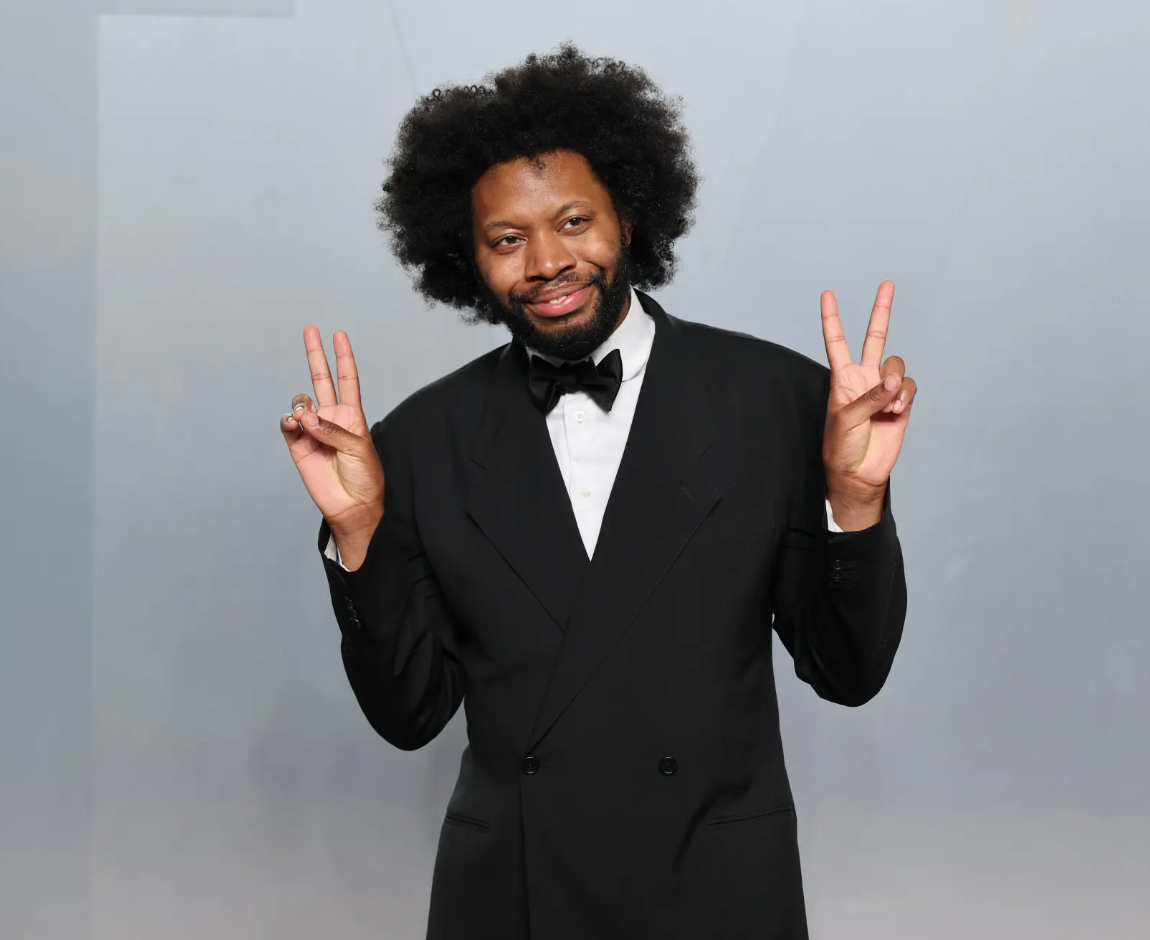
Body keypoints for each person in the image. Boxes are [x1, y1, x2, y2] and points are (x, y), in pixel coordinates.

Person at [279, 44, 915, 940]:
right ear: (466, 258)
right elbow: (409, 715)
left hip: (716, 892)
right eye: (507, 240)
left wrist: (853, 500)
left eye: (574, 221)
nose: (545, 261)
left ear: (629, 215)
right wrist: (358, 530)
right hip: (513, 898)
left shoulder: (779, 401)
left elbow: (848, 674)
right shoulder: (416, 444)